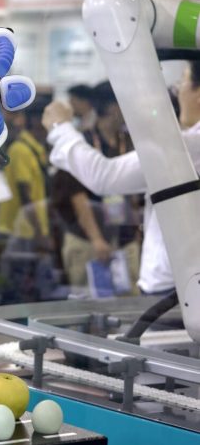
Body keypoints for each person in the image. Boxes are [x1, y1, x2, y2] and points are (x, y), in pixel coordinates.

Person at [42, 62, 200, 295]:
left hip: (175, 282)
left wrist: (60, 128)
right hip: (99, 244)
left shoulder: (186, 147)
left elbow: (105, 176)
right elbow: (79, 195)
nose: (177, 93)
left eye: (182, 83)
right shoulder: (90, 140)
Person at [49, 82, 140, 290]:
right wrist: (97, 239)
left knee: (132, 302)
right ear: (113, 108)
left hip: (124, 239)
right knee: (90, 302)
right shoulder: (81, 143)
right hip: (89, 241)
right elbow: (77, 196)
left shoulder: (128, 142)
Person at [0, 97, 55, 300]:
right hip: (20, 233)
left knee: (32, 291)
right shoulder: (21, 150)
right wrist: (39, 234)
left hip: (30, 232)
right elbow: (25, 195)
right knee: (19, 293)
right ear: (37, 121)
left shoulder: (37, 149)